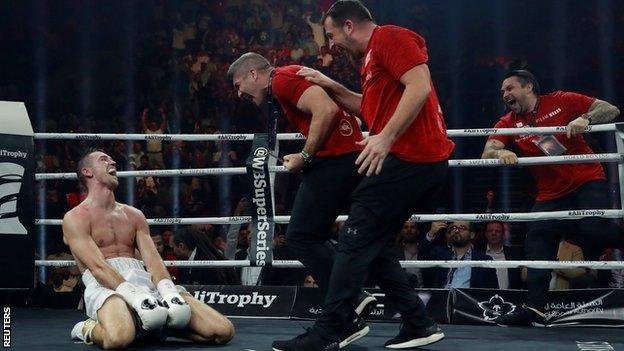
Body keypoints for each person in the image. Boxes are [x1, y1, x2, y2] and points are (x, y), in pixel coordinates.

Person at [273, 1, 455, 349]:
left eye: (332, 34)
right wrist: (331, 85)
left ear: (349, 26)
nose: (332, 43)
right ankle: (419, 323)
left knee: (355, 237)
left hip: (411, 160)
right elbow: (368, 109)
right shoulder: (371, 60)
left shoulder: (389, 37)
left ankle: (330, 329)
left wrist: (385, 137)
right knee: (374, 241)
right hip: (412, 162)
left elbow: (420, 85)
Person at [227, 51, 377, 346]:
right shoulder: (287, 79)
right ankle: (384, 316)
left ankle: (351, 299)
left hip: (335, 160)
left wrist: (305, 155)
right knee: (336, 236)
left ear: (254, 74)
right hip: (344, 158)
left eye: (238, 84)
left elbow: (326, 110)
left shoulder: (281, 80)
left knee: (300, 237)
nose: (238, 92)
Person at [481, 69, 622, 326]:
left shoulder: (561, 100)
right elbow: (487, 151)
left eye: (509, 88)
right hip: (551, 192)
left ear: (528, 87)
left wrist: (586, 119)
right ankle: (535, 309)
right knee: (536, 240)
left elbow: (610, 109)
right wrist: (499, 153)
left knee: (592, 227)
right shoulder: (508, 122)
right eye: (502, 91)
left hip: (586, 179)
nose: (504, 94)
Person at [63, 149, 234, 348]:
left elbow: (153, 261)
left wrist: (169, 293)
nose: (113, 162)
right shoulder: (75, 218)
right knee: (119, 338)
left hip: (142, 279)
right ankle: (88, 328)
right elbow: (98, 267)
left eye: (111, 159)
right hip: (105, 286)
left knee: (223, 331)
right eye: (104, 159)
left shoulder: (134, 215)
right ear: (87, 172)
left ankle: (154, 327)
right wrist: (135, 297)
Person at [419, 221, 498, 289]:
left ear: (472, 234)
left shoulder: (484, 259)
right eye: (453, 228)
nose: (457, 231)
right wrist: (431, 233)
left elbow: (492, 292)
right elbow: (422, 259)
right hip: (442, 303)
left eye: (462, 228)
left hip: (469, 305)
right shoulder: (439, 253)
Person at [171, 226, 241, 286]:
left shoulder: (205, 265)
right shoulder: (203, 256)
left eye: (173, 247)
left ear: (181, 246)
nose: (173, 251)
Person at [478, 221, 525, 289]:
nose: (494, 233)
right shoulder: (478, 253)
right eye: (490, 231)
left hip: (509, 297)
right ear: (485, 234)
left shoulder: (514, 254)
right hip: (482, 297)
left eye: (497, 231)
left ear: (503, 234)